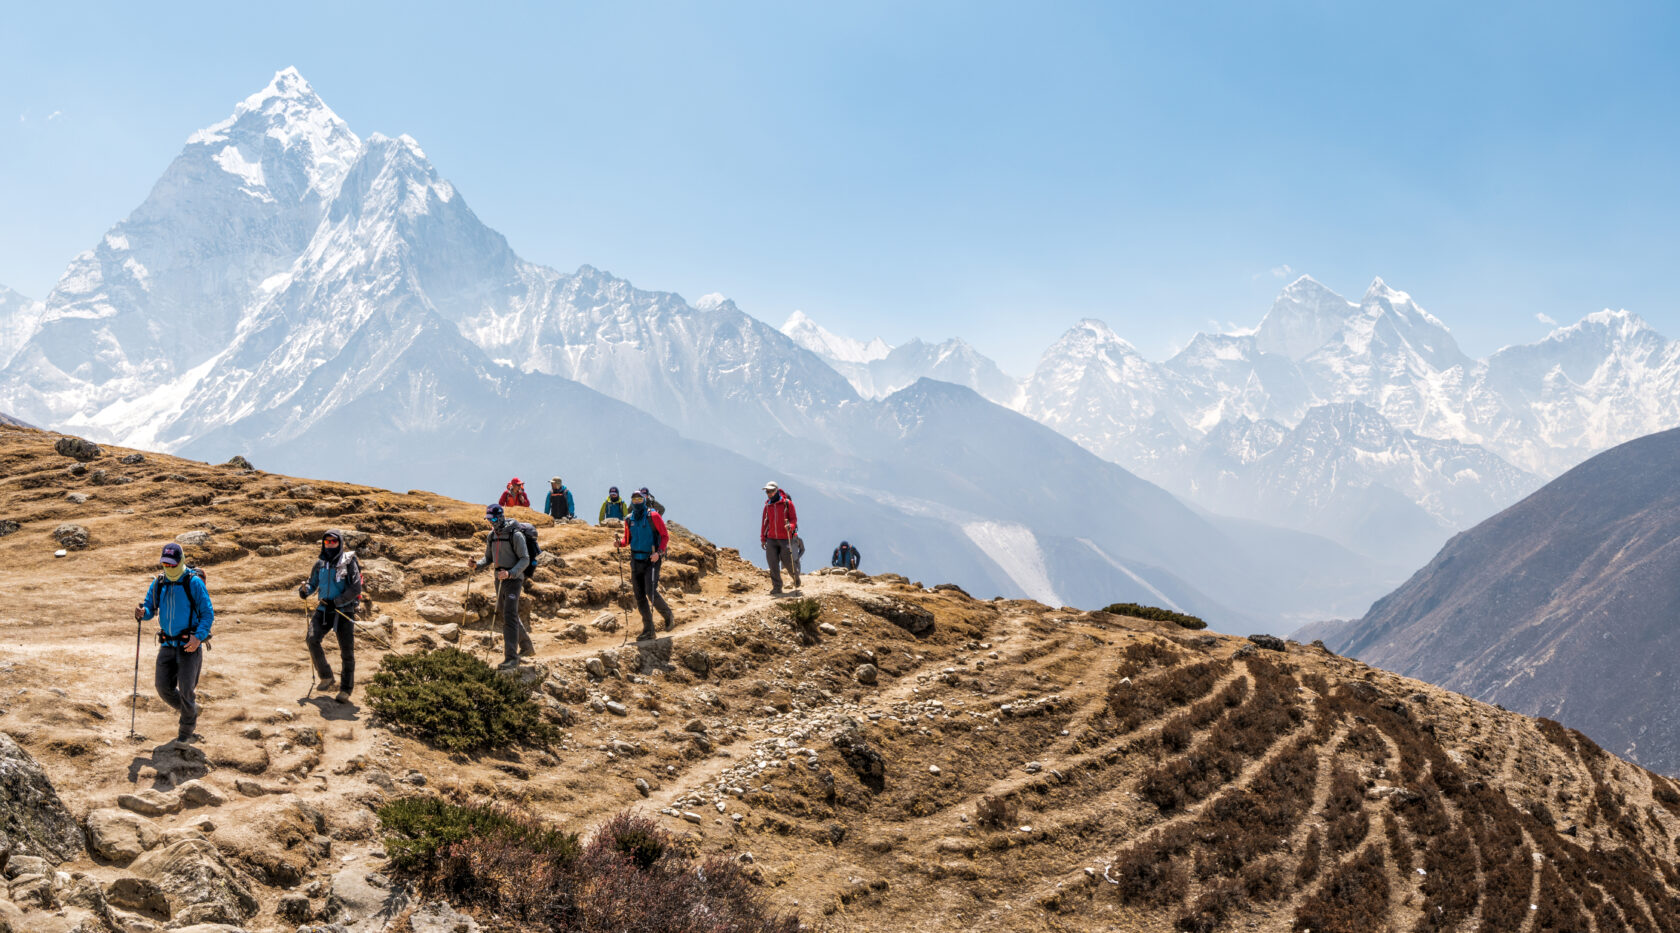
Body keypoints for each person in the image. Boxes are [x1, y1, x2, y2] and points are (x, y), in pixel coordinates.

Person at [134, 542, 213, 744]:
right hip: (167, 645)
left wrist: (199, 637)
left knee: (186, 690)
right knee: (163, 688)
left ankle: (185, 734)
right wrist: (144, 614)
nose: (168, 568)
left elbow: (207, 614)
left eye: (172, 564)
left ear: (180, 561)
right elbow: (151, 608)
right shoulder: (158, 583)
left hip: (189, 645)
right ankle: (191, 711)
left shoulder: (193, 583)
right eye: (165, 564)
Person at [298, 529, 364, 703]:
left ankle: (345, 690)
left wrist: (339, 601)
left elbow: (356, 587)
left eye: (333, 541)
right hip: (324, 609)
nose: (330, 544)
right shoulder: (320, 564)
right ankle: (326, 675)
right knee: (312, 638)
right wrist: (305, 591)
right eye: (327, 542)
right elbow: (312, 585)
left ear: (340, 543)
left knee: (347, 651)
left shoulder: (349, 562)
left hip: (344, 610)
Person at [466, 504, 535, 667]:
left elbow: (525, 559)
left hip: (514, 579)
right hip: (499, 579)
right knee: (507, 613)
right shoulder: (492, 536)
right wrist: (476, 565)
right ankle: (527, 647)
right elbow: (488, 558)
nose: (492, 523)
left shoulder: (515, 535)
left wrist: (510, 573)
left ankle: (512, 658)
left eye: (494, 519)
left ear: (501, 517)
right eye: (489, 519)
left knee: (509, 616)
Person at [616, 489, 674, 640]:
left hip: (652, 559)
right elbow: (627, 540)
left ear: (644, 500)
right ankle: (649, 630)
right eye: (634, 500)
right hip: (635, 560)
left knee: (650, 591)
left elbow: (664, 536)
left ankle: (668, 615)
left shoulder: (653, 516)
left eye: (639, 500)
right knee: (639, 596)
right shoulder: (629, 519)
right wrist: (619, 544)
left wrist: (659, 553)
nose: (636, 502)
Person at [760, 481, 800, 595]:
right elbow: (764, 523)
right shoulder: (767, 506)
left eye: (771, 491)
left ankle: (795, 577)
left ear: (776, 490)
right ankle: (777, 587)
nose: (769, 493)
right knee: (772, 562)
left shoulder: (787, 504)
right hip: (771, 538)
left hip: (785, 538)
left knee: (787, 562)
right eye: (767, 491)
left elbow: (793, 519)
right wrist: (763, 538)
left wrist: (791, 526)